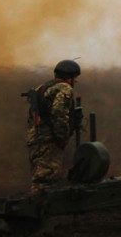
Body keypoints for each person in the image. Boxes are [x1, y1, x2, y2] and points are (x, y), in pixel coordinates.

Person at [25, 59, 81, 195]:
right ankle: (34, 210)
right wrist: (62, 138)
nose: (76, 82)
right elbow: (59, 114)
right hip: (49, 141)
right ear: (70, 77)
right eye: (75, 79)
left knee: (39, 178)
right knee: (45, 182)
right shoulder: (64, 88)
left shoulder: (41, 88)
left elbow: (32, 117)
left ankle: (34, 211)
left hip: (35, 139)